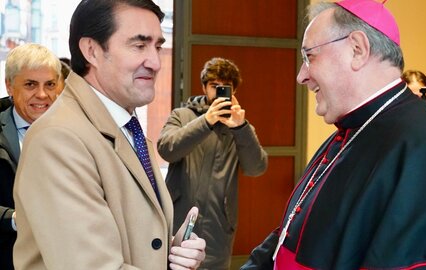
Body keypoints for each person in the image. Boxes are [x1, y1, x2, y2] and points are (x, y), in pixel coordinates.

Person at [241, 0, 426, 269]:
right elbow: (289, 235)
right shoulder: (349, 134)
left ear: (357, 49)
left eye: (309, 57)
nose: (301, 76)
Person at [12, 1, 205, 269]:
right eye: (139, 45)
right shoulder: (58, 139)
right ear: (91, 50)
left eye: (157, 46)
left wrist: (171, 254)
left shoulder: (125, 126)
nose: (155, 62)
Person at [158, 57, 268, 269]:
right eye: (214, 86)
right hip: (178, 216)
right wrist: (206, 121)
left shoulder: (240, 127)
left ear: (234, 91)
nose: (219, 92)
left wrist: (240, 128)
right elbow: (166, 149)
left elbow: (257, 168)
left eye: (225, 87)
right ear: (203, 87)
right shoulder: (182, 116)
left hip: (218, 224)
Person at [0, 43, 62, 270]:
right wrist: (15, 219)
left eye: (50, 84)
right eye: (30, 85)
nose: (42, 95)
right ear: (9, 85)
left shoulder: (79, 133)